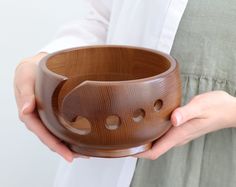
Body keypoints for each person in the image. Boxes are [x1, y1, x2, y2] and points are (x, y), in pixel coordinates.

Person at [14, 0, 236, 186]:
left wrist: (231, 112)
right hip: (102, 128)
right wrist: (41, 60)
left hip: (220, 158)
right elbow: (103, 19)